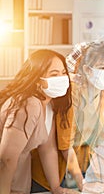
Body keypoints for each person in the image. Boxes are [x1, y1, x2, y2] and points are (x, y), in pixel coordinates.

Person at [0, 50, 76, 193]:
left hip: (19, 180)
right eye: (54, 74)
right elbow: (6, 159)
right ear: (37, 79)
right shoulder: (28, 104)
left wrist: (56, 188)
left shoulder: (48, 105)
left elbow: (47, 149)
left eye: (63, 72)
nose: (61, 78)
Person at [70, 42, 104, 182]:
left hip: (86, 166)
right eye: (102, 68)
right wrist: (82, 184)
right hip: (61, 169)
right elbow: (65, 144)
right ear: (87, 70)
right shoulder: (73, 91)